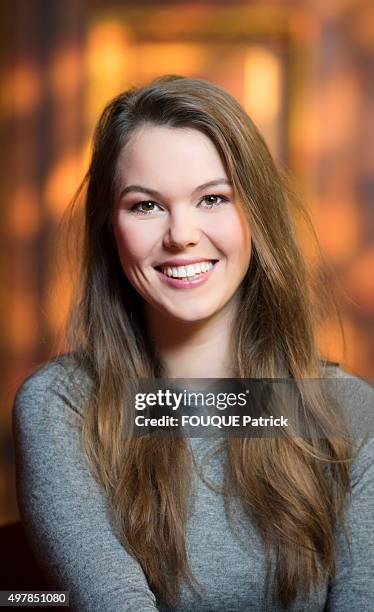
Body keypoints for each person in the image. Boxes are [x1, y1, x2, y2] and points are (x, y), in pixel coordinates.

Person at [12, 75, 374, 611]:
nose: (181, 233)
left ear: (256, 216)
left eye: (212, 198)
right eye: (146, 206)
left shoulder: (347, 413)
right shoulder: (63, 407)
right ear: (110, 229)